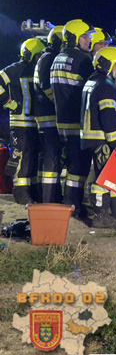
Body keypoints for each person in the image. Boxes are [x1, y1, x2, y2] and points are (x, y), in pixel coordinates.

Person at [81, 47, 116, 227]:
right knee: (103, 179)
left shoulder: (97, 82)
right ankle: (101, 217)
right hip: (104, 140)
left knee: (113, 177)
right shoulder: (104, 86)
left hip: (97, 138)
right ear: (107, 64)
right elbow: (109, 117)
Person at [51, 20, 96, 212]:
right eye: (85, 36)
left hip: (61, 121)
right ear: (74, 38)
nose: (89, 41)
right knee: (79, 166)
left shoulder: (57, 58)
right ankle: (73, 204)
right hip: (78, 122)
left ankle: (70, 201)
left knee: (70, 164)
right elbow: (92, 91)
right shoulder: (83, 60)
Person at [0, 38, 46, 204]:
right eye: (39, 54)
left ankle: (31, 190)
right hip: (20, 122)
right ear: (31, 53)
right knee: (21, 157)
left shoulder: (37, 69)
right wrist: (8, 102)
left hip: (35, 122)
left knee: (33, 157)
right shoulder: (14, 69)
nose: (41, 57)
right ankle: (20, 192)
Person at [33, 25, 64, 203]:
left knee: (47, 156)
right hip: (49, 116)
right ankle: (49, 197)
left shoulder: (46, 56)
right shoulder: (49, 58)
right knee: (51, 156)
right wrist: (61, 104)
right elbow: (47, 87)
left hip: (46, 116)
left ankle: (45, 194)